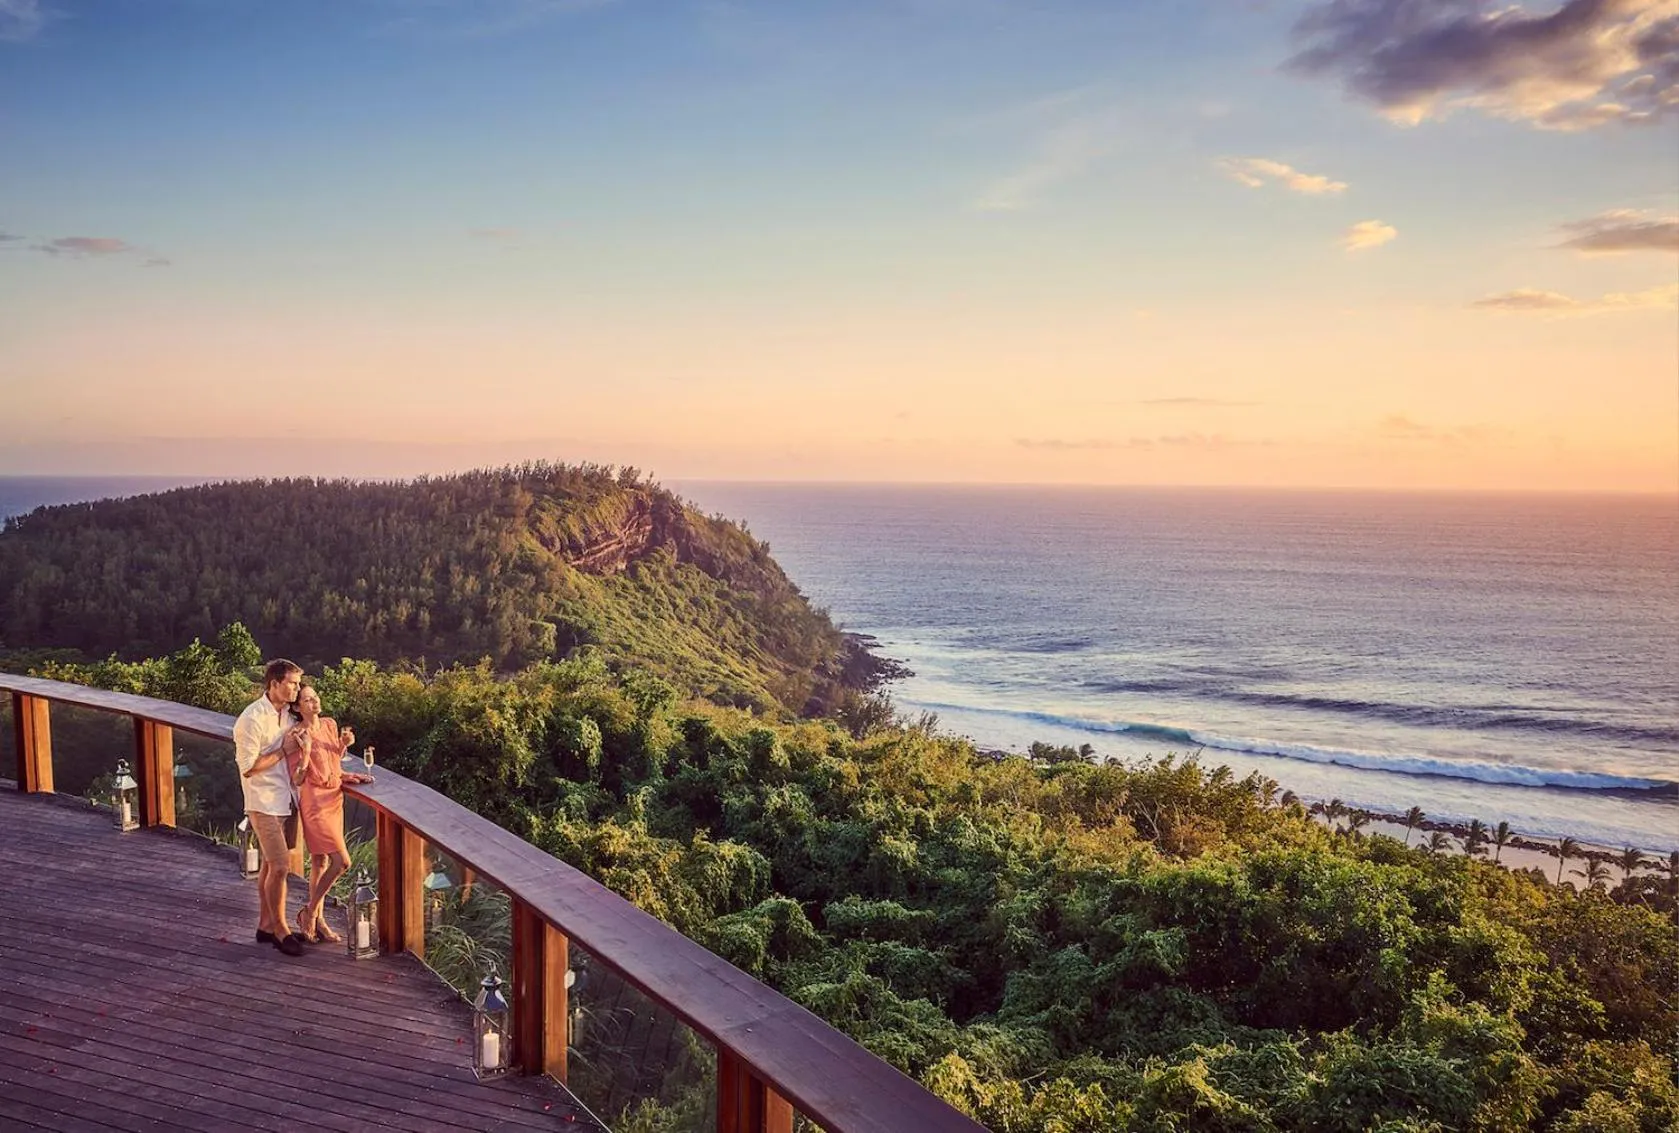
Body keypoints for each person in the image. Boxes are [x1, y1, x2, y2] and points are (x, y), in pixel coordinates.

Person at [282, 683, 372, 943]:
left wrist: (343, 745)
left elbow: (332, 759)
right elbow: (298, 779)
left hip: (335, 798)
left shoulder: (330, 724)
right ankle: (309, 913)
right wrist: (307, 751)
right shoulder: (295, 735)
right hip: (315, 802)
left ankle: (319, 921)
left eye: (316, 698)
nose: (315, 703)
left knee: (321, 862)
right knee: (342, 862)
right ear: (298, 707)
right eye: (308, 700)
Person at [233, 658, 306, 956]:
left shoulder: (289, 716)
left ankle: (264, 926)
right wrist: (283, 751)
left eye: (298, 683)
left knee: (269, 865)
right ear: (274, 683)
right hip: (262, 802)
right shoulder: (251, 719)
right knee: (280, 867)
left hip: (288, 799)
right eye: (292, 683)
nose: (297, 689)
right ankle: (280, 930)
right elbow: (249, 767)